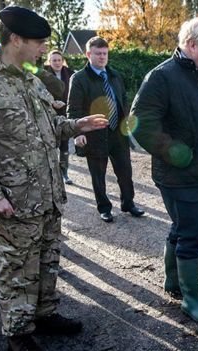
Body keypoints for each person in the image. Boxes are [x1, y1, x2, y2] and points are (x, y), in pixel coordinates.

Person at [0, 6, 108, 351]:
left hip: (47, 194)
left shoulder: (30, 79)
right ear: (16, 40)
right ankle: (18, 331)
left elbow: (49, 128)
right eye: (38, 43)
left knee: (46, 259)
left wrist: (76, 125)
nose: (43, 50)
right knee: (17, 267)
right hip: (14, 199)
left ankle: (44, 313)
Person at [130, 17, 198, 325]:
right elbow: (139, 123)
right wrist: (175, 152)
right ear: (191, 45)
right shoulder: (162, 77)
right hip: (179, 175)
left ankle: (175, 283)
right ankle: (191, 300)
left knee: (182, 226)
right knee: (192, 233)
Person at [67, 37, 144, 223]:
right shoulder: (78, 79)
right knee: (98, 175)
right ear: (88, 54)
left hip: (117, 132)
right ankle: (104, 208)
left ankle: (128, 203)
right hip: (94, 134)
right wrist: (78, 133)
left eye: (104, 53)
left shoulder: (115, 75)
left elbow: (123, 99)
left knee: (125, 171)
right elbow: (73, 109)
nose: (102, 57)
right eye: (98, 53)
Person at [44, 50, 74, 185]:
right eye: (54, 60)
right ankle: (50, 174)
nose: (57, 63)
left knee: (64, 144)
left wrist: (66, 104)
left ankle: (64, 172)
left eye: (59, 60)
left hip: (65, 113)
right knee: (50, 144)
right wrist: (52, 103)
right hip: (49, 113)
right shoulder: (43, 74)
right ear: (49, 62)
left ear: (63, 61)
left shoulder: (70, 73)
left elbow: (75, 93)